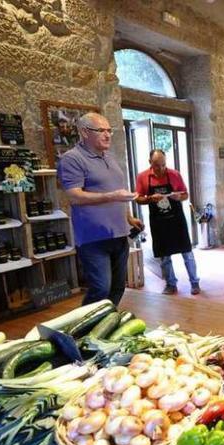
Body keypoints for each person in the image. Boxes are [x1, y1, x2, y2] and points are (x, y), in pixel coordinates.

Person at [58, 112, 142, 306]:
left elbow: (117, 192)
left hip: (119, 234)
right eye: (101, 130)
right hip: (93, 237)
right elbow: (74, 196)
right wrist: (112, 196)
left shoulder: (109, 158)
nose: (107, 135)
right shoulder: (72, 159)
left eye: (109, 130)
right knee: (101, 288)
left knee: (118, 287)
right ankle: (84, 328)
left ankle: (106, 326)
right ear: (85, 132)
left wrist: (129, 218)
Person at [135, 149, 200, 295]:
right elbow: (138, 198)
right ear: (150, 163)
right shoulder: (143, 177)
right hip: (159, 222)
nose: (161, 168)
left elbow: (185, 194)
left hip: (177, 220)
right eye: (157, 165)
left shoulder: (174, 174)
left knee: (187, 253)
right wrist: (150, 199)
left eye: (163, 165)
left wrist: (178, 197)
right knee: (164, 256)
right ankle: (171, 284)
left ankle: (194, 282)